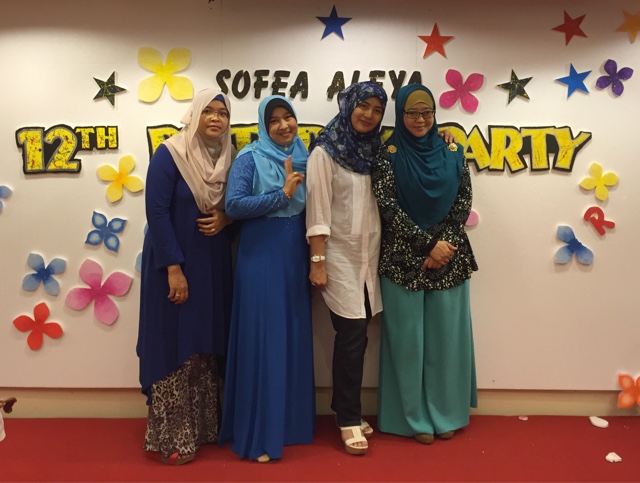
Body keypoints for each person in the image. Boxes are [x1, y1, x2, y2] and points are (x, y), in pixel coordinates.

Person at [372, 83, 478, 445]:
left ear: (435, 114)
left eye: (426, 113)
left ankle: (445, 413)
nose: (420, 120)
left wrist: (441, 245)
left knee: (446, 341)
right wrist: (427, 245)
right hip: (402, 259)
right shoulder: (386, 154)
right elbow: (387, 205)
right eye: (412, 113)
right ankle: (411, 418)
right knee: (406, 343)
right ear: (400, 114)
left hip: (449, 257)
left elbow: (463, 200)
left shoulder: (453, 151)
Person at [136, 88, 235, 465]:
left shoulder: (229, 156)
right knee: (173, 345)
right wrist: (173, 268)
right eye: (208, 111)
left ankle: (204, 427)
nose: (215, 118)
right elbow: (157, 212)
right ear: (194, 115)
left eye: (222, 113)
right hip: (174, 264)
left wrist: (226, 217)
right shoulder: (170, 154)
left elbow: (236, 203)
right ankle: (173, 436)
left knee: (202, 346)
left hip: (211, 264)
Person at [219, 95, 315, 463]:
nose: (283, 125)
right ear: (263, 125)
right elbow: (234, 205)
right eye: (273, 120)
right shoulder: (250, 157)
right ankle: (260, 431)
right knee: (264, 339)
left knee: (290, 336)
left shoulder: (305, 157)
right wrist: (282, 194)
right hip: (260, 258)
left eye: (288, 117)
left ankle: (289, 425)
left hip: (294, 256)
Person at [306, 81, 387, 456]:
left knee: (359, 335)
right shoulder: (326, 151)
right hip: (337, 255)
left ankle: (345, 406)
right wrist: (318, 261)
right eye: (363, 106)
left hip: (369, 257)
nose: (369, 115)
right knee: (352, 334)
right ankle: (348, 418)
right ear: (348, 105)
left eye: (377, 110)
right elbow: (317, 209)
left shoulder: (375, 151)